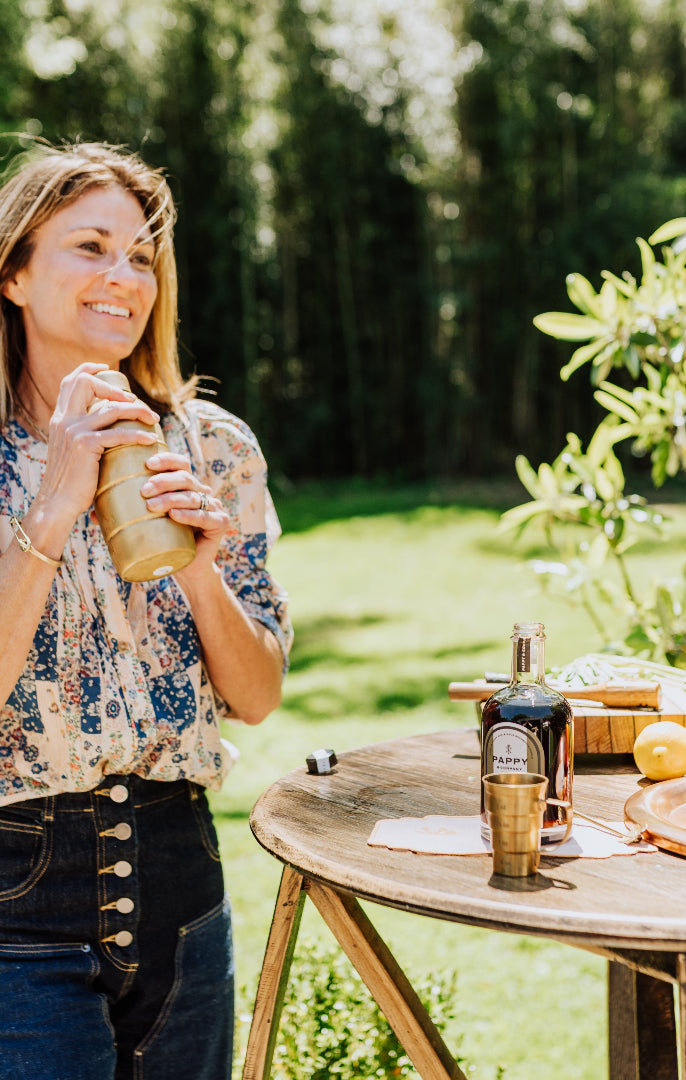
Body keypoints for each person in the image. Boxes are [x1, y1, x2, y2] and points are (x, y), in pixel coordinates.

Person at [0, 140, 292, 1079]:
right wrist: (54, 500)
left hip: (181, 879)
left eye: (140, 257)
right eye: (89, 247)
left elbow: (256, 696)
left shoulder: (216, 446)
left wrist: (203, 569)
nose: (121, 277)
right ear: (13, 273)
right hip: (17, 896)